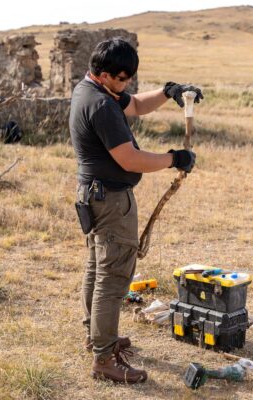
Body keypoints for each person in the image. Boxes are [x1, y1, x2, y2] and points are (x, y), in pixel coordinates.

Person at [69, 38, 203, 384]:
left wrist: (169, 91)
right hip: (110, 200)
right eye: (122, 78)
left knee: (97, 271)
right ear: (103, 74)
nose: (127, 84)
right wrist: (175, 158)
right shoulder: (100, 105)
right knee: (112, 280)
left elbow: (137, 106)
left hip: (95, 195)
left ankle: (96, 336)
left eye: (130, 78)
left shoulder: (92, 90)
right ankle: (103, 358)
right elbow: (129, 159)